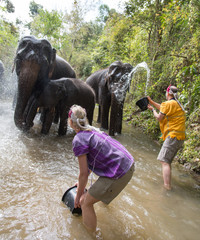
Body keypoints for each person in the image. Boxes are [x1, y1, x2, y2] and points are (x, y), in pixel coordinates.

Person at [68, 104, 134, 232]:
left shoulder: (78, 139)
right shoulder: (92, 130)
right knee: (97, 196)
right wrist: (81, 185)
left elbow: (83, 175)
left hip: (120, 171)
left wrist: (78, 196)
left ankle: (90, 235)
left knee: (85, 202)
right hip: (128, 163)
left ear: (70, 122)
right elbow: (89, 166)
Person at [147, 85, 186, 190]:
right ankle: (167, 183)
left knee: (164, 161)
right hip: (179, 137)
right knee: (167, 161)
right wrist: (151, 101)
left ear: (168, 93)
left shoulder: (168, 104)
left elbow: (159, 118)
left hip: (173, 135)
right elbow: (163, 108)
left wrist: (152, 110)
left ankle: (167, 187)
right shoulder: (177, 103)